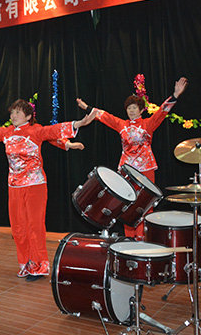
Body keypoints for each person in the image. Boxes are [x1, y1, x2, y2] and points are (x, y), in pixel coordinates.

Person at [0, 99, 94, 281]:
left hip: (35, 185)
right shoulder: (7, 132)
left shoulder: (36, 130)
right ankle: (25, 263)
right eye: (12, 112)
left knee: (34, 226)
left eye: (18, 112)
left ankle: (38, 266)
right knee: (18, 227)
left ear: (28, 116)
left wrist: (78, 124)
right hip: (14, 186)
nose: (13, 115)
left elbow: (53, 131)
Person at [76, 77, 188, 239]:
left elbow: (162, 112)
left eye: (134, 108)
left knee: (144, 204)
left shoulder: (148, 124)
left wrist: (175, 95)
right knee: (126, 203)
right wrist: (87, 107)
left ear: (141, 110)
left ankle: (142, 237)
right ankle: (129, 238)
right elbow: (104, 116)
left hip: (146, 169)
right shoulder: (121, 125)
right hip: (126, 170)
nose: (131, 110)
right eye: (129, 108)